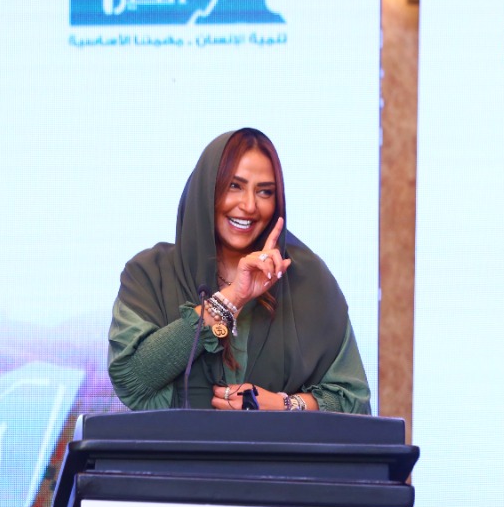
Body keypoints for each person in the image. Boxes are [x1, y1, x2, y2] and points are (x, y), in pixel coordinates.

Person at [109, 128, 370, 412]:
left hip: (277, 444)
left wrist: (283, 405)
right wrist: (231, 299)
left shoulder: (307, 279)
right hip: (177, 442)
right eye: (234, 186)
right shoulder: (150, 274)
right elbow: (131, 381)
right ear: (206, 190)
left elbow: (353, 402)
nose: (249, 205)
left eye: (265, 191)